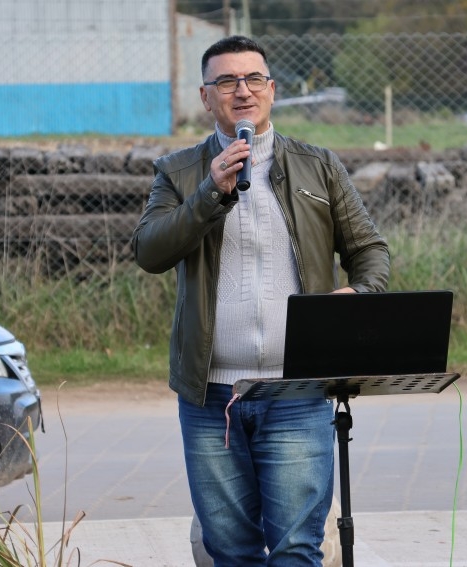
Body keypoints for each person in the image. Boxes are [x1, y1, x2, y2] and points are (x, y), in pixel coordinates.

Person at [132, 35, 390, 566]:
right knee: (230, 551)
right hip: (211, 398)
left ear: (271, 89)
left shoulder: (318, 166)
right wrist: (211, 192)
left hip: (296, 390)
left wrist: (359, 294)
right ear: (206, 97)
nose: (242, 91)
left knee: (296, 548)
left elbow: (369, 250)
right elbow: (150, 251)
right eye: (227, 81)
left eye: (253, 79)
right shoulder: (178, 173)